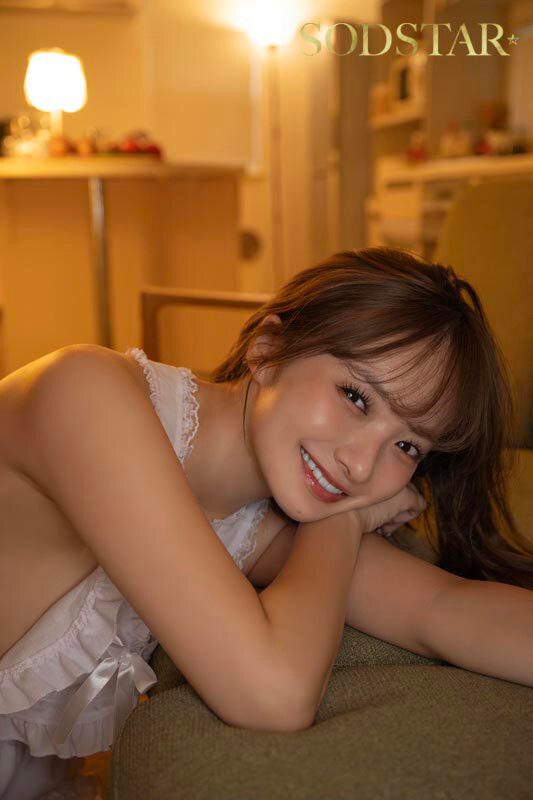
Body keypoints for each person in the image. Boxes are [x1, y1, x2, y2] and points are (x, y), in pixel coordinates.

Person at [0, 246, 530, 799]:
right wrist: (346, 523)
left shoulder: (257, 524)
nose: (361, 466)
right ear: (268, 351)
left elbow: (442, 608)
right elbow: (273, 696)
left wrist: (337, 520)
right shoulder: (85, 394)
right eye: (355, 397)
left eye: (407, 446)